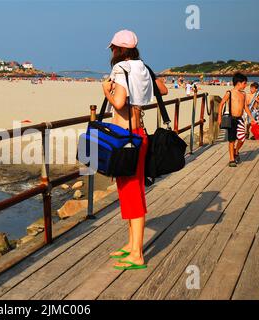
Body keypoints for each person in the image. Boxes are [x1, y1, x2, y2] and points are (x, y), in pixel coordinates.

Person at [103, 29, 168, 270]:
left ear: (118, 50)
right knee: (129, 192)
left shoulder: (120, 69)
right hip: (138, 135)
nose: (111, 52)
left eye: (112, 48)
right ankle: (131, 245)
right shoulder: (143, 67)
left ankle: (137, 254)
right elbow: (163, 89)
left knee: (133, 195)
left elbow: (118, 102)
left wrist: (105, 91)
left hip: (125, 138)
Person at [218, 73, 256, 167]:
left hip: (240, 119)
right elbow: (221, 104)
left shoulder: (243, 94)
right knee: (231, 140)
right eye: (244, 83)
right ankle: (231, 159)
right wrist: (219, 117)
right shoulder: (229, 93)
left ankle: (236, 150)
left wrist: (251, 118)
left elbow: (245, 107)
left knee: (242, 138)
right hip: (231, 118)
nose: (245, 85)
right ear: (239, 83)